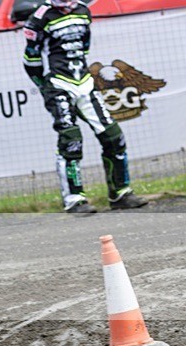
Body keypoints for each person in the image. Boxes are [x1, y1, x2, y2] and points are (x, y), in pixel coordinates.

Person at [22, 0, 149, 214]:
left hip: (85, 83)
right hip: (58, 84)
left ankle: (121, 193)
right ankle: (74, 199)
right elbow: (31, 59)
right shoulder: (40, 17)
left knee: (113, 135)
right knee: (71, 140)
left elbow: (85, 46)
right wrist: (44, 86)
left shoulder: (83, 10)